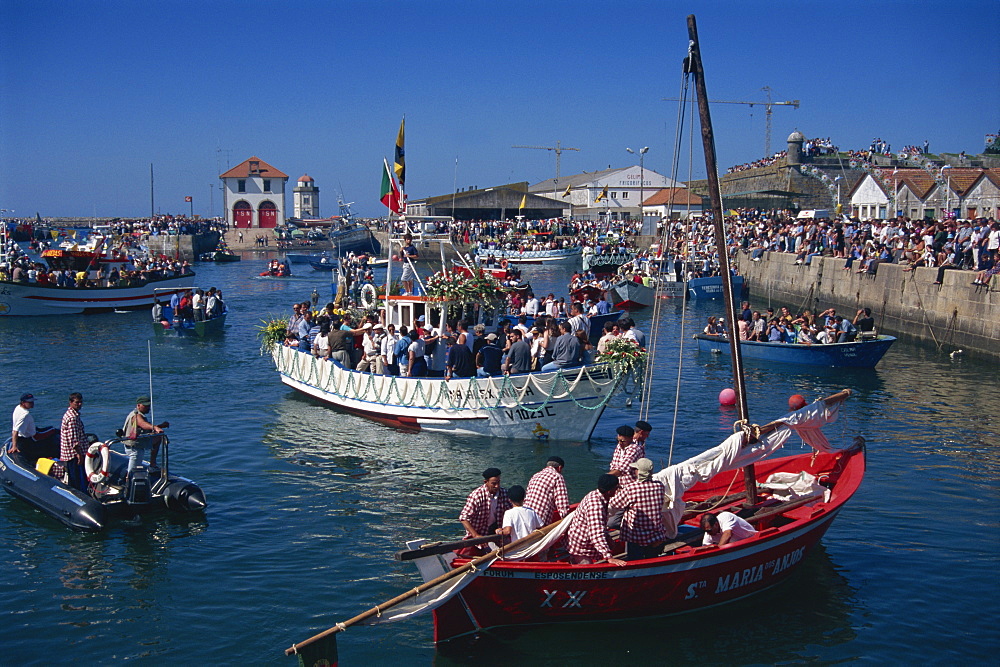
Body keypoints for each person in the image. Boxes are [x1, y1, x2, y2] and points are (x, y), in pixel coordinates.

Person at [608, 458, 667, 560]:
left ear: (638, 472)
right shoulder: (660, 486)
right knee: (652, 559)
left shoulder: (631, 488)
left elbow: (613, 504)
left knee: (634, 558)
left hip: (636, 536)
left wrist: (618, 493)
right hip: (656, 534)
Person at [566, 474, 627, 566]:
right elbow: (596, 533)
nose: (617, 490)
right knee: (586, 569)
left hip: (582, 539)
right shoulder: (596, 505)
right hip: (581, 545)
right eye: (616, 488)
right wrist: (608, 557)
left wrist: (608, 539)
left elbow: (600, 526)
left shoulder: (595, 494)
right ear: (610, 491)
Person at [459, 467, 512, 550]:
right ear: (486, 482)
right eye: (493, 483)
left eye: (498, 482)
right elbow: (464, 518)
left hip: (498, 533)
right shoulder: (477, 496)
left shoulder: (504, 493)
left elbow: (512, 511)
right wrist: (476, 536)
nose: (497, 486)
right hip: (481, 534)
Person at [122, 395, 168, 475]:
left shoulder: (140, 415)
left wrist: (160, 426)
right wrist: (155, 428)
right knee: (132, 472)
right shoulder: (136, 416)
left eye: (148, 405)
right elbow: (142, 424)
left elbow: (146, 428)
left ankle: (152, 465)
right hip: (134, 448)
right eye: (145, 406)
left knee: (158, 437)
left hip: (140, 442)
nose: (148, 407)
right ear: (138, 405)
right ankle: (127, 481)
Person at [10, 393, 57, 459]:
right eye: (30, 402)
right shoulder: (24, 414)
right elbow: (15, 430)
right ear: (23, 403)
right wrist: (14, 446)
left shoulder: (18, 407)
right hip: (33, 436)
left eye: (32, 402)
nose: (32, 403)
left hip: (29, 431)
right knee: (53, 429)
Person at [524, 456, 569, 525]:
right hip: (539, 521)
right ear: (560, 468)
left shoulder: (535, 475)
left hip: (525, 516)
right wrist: (567, 521)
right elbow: (562, 505)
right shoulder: (557, 477)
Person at [59, 392, 87, 490]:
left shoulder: (71, 414)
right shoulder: (72, 418)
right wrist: (79, 454)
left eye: (80, 402)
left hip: (69, 453)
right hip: (72, 454)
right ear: (70, 402)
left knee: (73, 475)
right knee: (76, 477)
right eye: (77, 402)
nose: (79, 404)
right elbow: (73, 439)